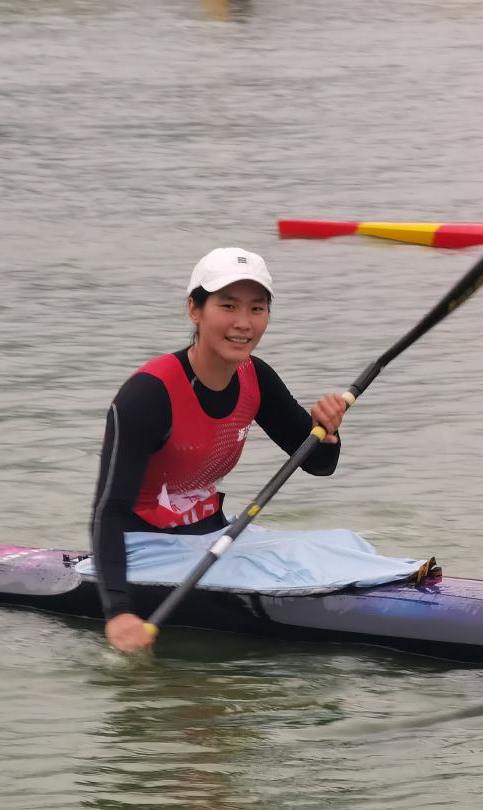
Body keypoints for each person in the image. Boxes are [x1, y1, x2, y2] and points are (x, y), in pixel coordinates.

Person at [91, 247, 348, 653]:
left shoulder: (255, 377)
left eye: (257, 308)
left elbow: (318, 464)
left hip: (212, 537)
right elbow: (108, 511)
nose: (243, 323)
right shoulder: (148, 395)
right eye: (228, 306)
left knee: (342, 545)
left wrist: (328, 431)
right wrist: (119, 610)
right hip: (143, 551)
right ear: (194, 310)